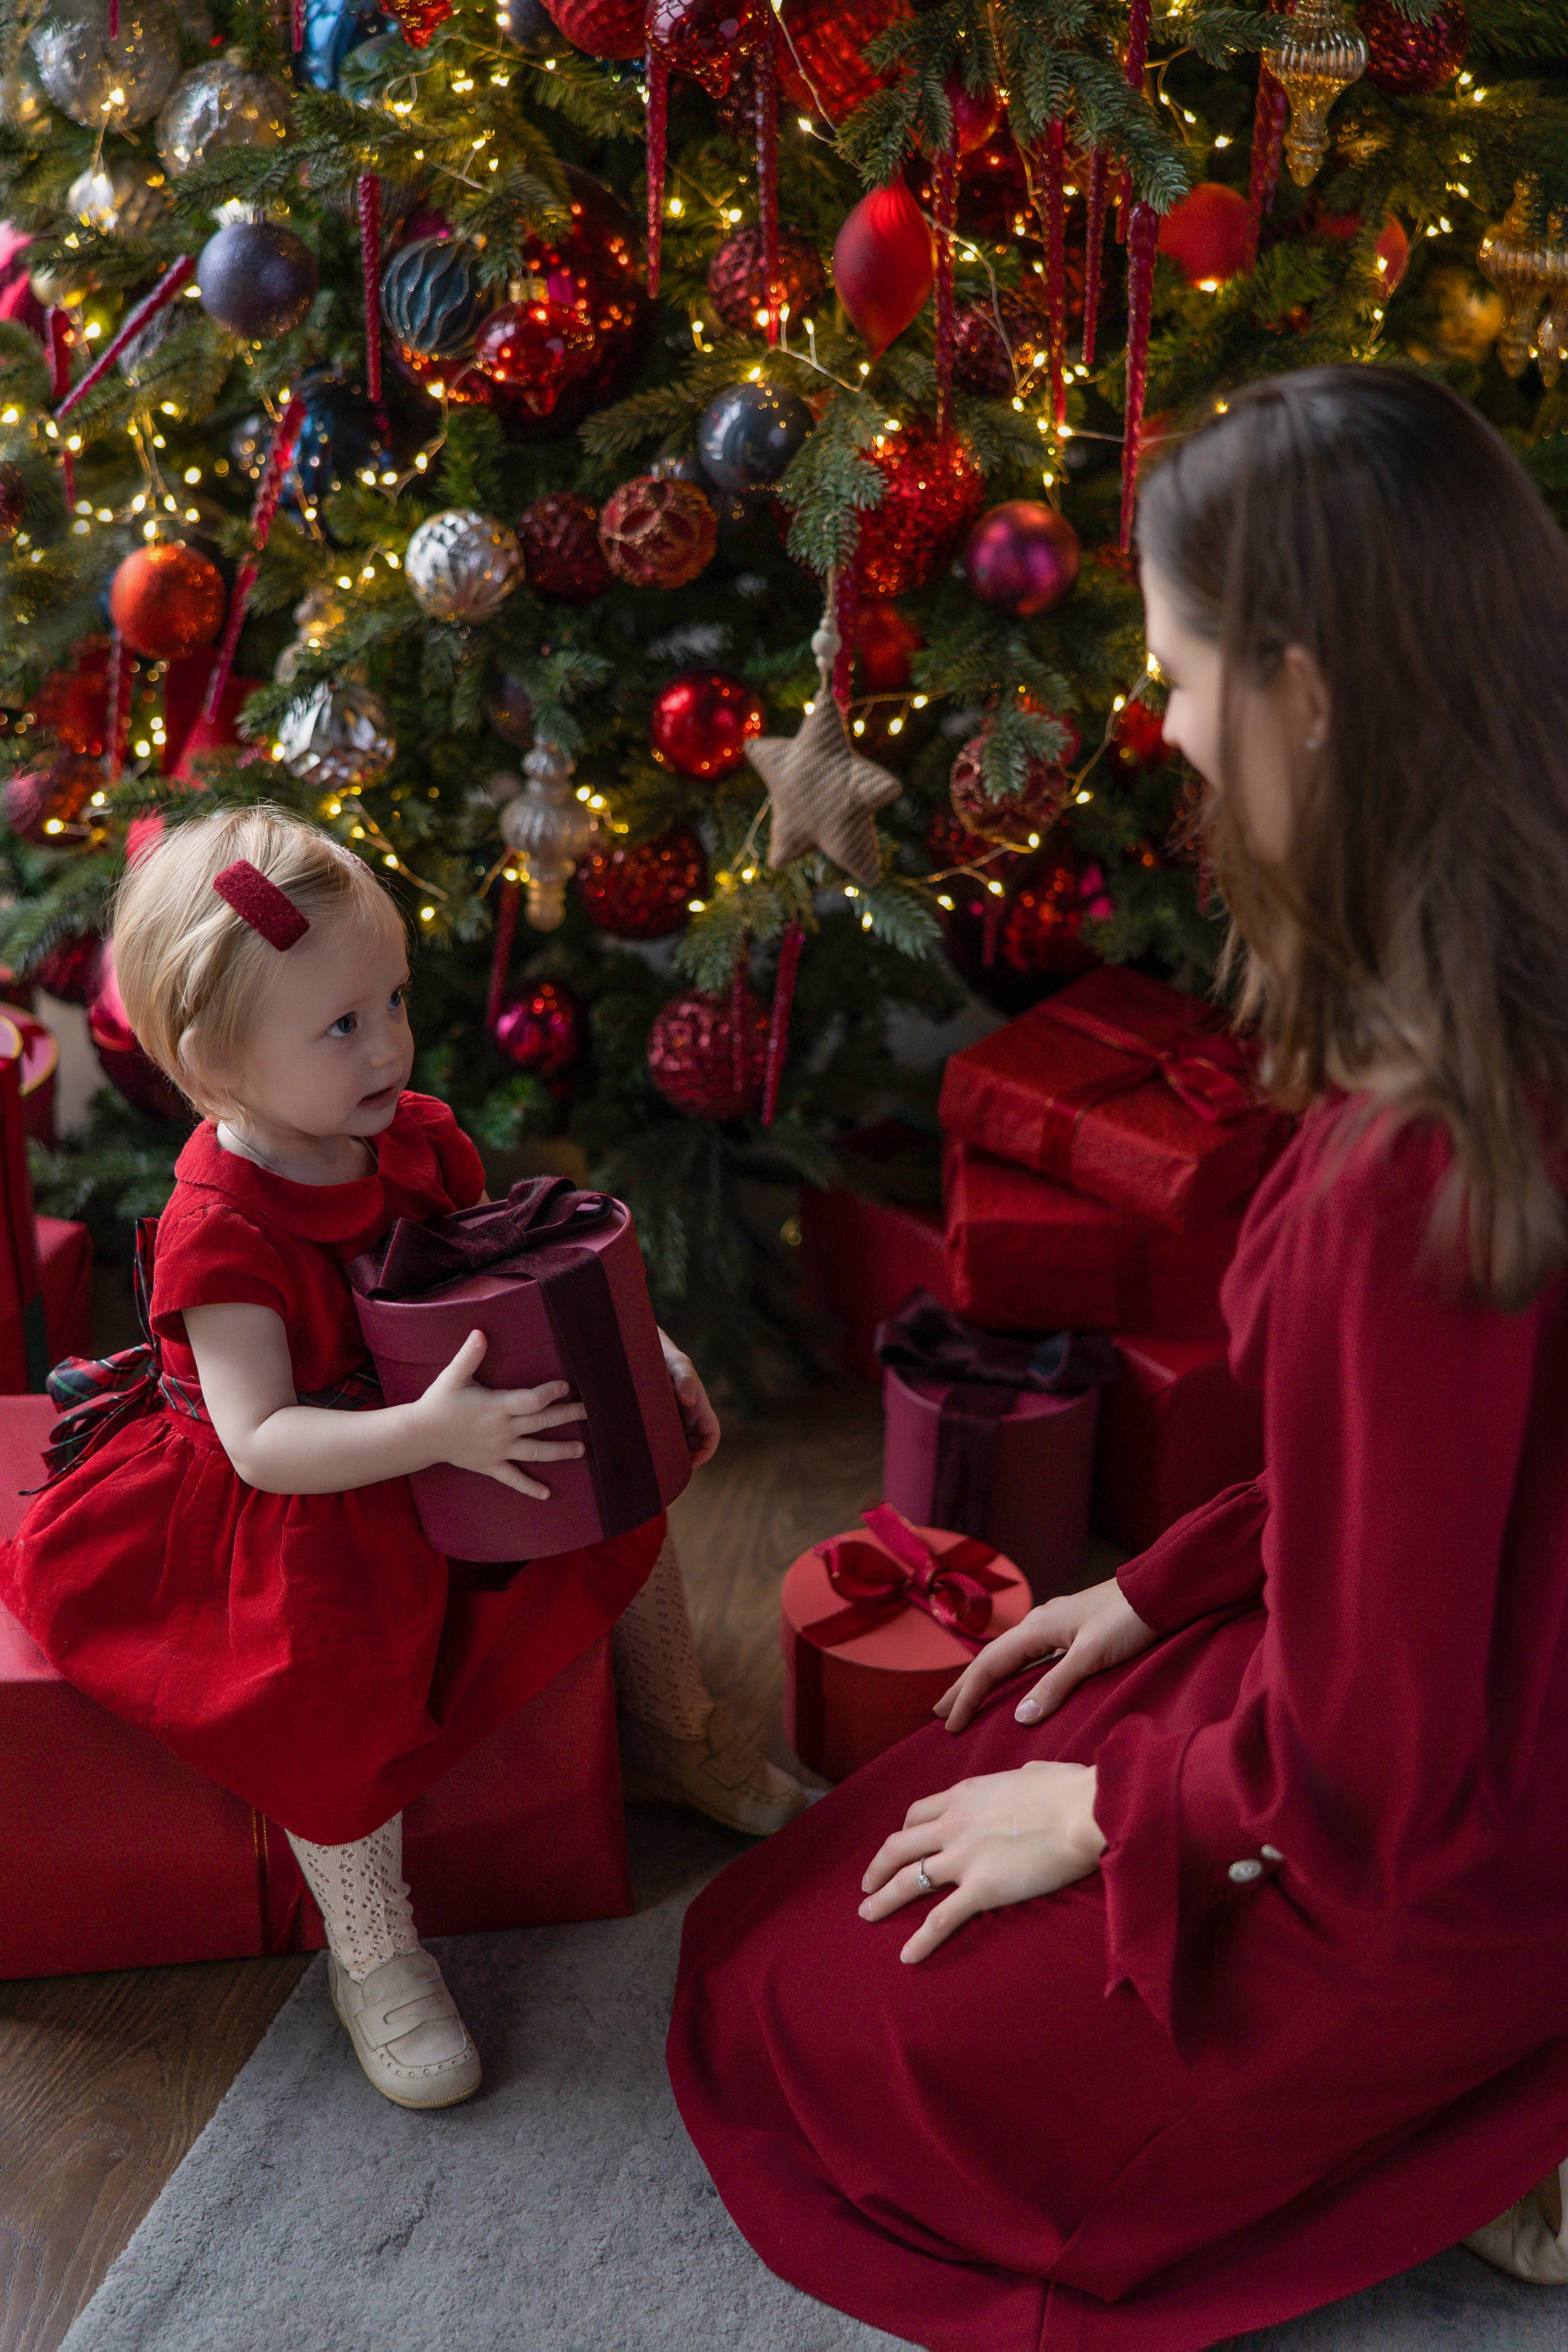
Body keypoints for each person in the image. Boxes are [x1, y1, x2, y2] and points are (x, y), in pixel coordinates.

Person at [666, 367, 1568, 2348]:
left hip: (1461, 1820)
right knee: (919, 1812)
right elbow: (1434, 1488)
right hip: (1494, 1686)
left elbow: (1372, 1769)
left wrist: (1112, 1816)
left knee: (818, 2022)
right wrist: (1158, 1591)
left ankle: (1493, 2096)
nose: (1165, 729)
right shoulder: (1511, 993)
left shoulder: (1413, 1169)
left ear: (1305, 694)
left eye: (1177, 677)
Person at [0, 807, 804, 2112]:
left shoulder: (411, 1136)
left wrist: (636, 1350)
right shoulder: (223, 1231)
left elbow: (507, 1272)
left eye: (394, 1002)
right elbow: (263, 1443)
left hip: (436, 1431)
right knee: (323, 1682)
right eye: (341, 1026)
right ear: (214, 1059)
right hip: (299, 1500)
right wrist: (430, 1435)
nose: (388, 1044)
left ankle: (671, 1726)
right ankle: (372, 1950)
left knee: (617, 1490)